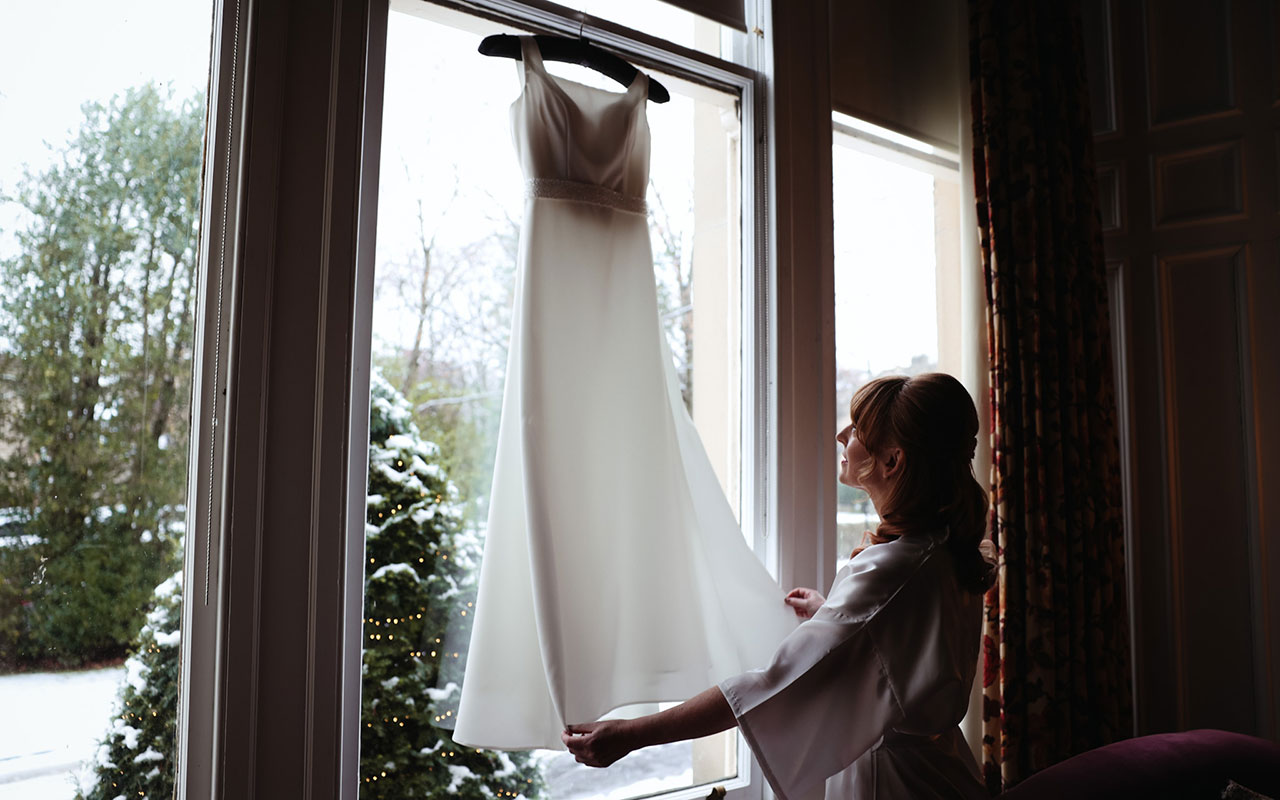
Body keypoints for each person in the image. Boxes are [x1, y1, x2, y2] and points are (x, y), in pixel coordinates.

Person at [561, 373, 995, 799]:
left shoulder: (891, 572)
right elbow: (905, 642)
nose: (842, 435)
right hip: (945, 773)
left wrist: (632, 734)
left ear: (892, 461)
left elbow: (773, 685)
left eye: (858, 429)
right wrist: (833, 614)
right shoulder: (945, 547)